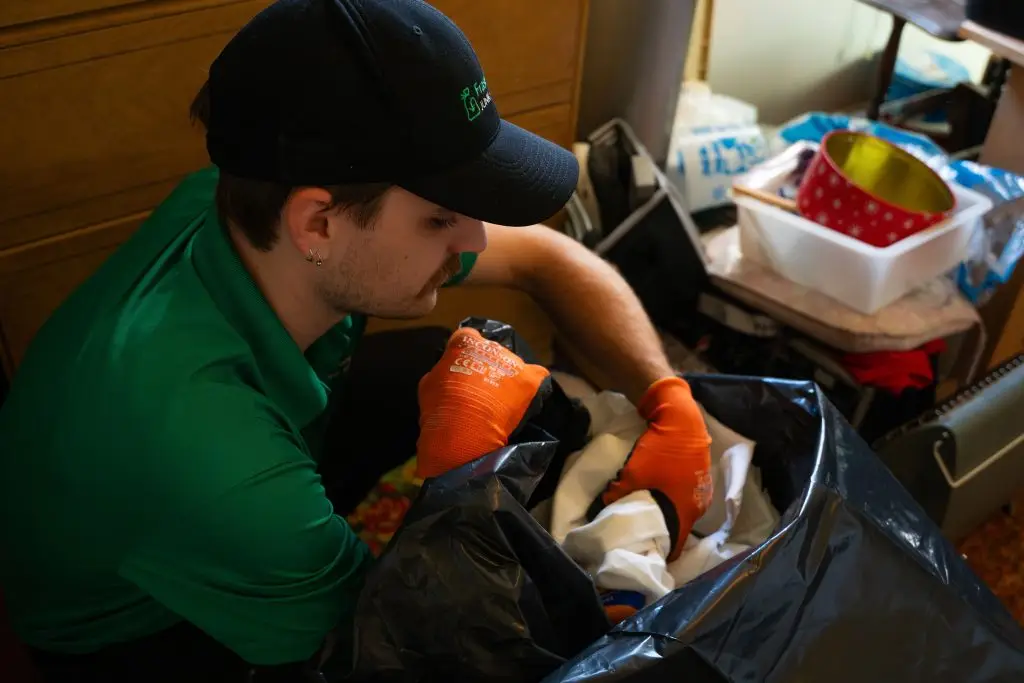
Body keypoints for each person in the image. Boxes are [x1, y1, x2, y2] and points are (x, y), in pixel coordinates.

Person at [0, 0, 711, 680]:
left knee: (481, 375)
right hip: (141, 635)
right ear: (318, 223)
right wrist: (462, 525)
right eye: (440, 219)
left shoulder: (254, 214)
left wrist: (668, 396)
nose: (474, 237)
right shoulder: (215, 458)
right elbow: (394, 651)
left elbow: (547, 259)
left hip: (209, 472)